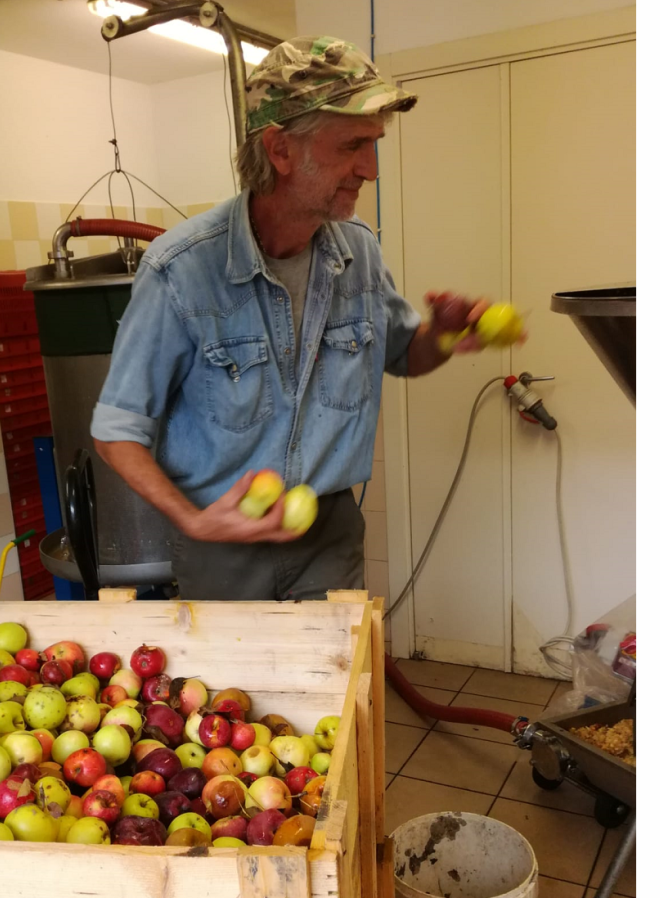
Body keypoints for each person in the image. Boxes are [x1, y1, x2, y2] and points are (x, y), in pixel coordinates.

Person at [91, 36, 499, 601]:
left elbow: (406, 355)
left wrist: (446, 335)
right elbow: (116, 432)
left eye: (374, 145)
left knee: (339, 690)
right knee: (234, 692)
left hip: (328, 538)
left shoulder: (359, 251)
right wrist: (193, 521)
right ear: (280, 150)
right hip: (223, 545)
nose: (371, 170)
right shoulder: (180, 271)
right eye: (353, 145)